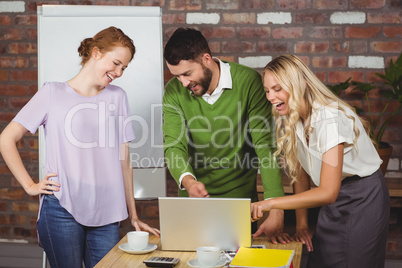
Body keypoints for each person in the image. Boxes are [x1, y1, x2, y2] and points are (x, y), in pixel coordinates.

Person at [0, 26, 160, 268]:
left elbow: (124, 161)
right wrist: (30, 186)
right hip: (61, 209)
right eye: (116, 63)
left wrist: (134, 215)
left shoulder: (118, 97)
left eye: (124, 68)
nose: (118, 72)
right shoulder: (52, 93)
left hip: (107, 212)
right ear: (96, 53)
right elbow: (6, 139)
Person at [251, 54, 390, 267]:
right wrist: (302, 224)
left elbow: (328, 192)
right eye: (267, 90)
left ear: (301, 85)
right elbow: (301, 174)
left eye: (277, 89)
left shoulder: (329, 119)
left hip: (364, 197)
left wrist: (270, 204)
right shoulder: (293, 119)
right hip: (333, 200)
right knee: (321, 260)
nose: (270, 96)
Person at [162, 27, 289, 242]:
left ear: (206, 59)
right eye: (176, 76)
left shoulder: (249, 82)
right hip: (193, 201)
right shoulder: (174, 91)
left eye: (187, 74)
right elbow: (174, 145)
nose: (183, 83)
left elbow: (264, 147)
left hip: (239, 203)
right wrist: (190, 182)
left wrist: (276, 210)